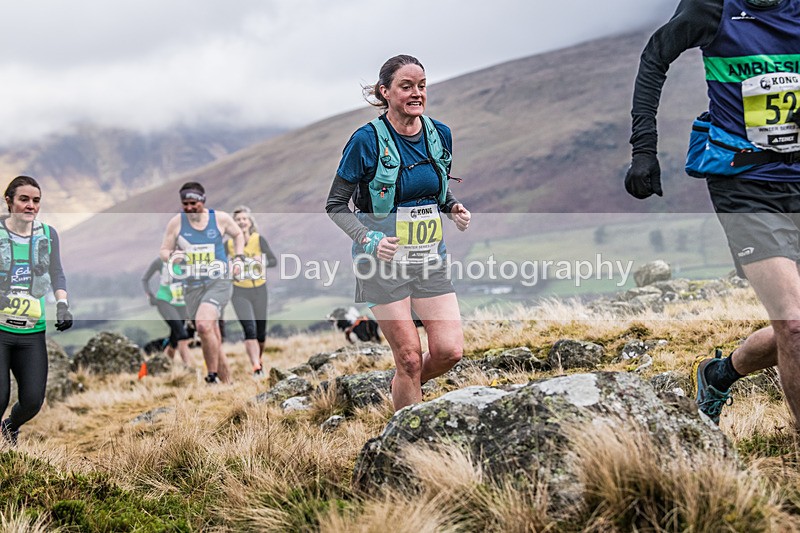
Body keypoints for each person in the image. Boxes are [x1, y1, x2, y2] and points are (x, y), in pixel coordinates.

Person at [625, 0, 800, 425]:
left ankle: (720, 373)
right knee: (793, 324)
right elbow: (654, 57)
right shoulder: (712, 6)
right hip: (744, 184)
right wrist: (644, 149)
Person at [326, 54, 471, 411]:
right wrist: (369, 238)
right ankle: (404, 437)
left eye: (421, 86)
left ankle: (404, 388)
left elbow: (433, 187)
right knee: (408, 358)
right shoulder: (366, 141)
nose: (416, 93)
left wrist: (452, 206)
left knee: (449, 351)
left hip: (428, 258)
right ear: (385, 92)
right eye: (406, 86)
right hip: (381, 263)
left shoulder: (440, 134)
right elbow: (335, 206)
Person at [0, 176, 72, 446]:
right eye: (24, 199)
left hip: (31, 331)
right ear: (9, 201)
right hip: (0, 329)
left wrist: (62, 304)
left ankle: (10, 427)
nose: (31, 205)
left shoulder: (48, 234)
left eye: (36, 200)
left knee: (32, 402)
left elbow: (57, 272)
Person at [159, 182, 244, 384]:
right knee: (211, 333)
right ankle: (228, 382)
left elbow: (238, 234)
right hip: (192, 285)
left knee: (204, 326)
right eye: (184, 204)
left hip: (219, 281)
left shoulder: (220, 219)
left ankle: (211, 377)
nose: (188, 208)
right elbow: (163, 250)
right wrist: (173, 255)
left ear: (202, 201)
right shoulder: (176, 223)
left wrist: (238, 258)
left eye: (192, 203)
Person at [225, 206, 277, 378]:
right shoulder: (228, 245)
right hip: (239, 291)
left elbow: (273, 261)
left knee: (260, 333)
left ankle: (258, 360)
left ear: (250, 222)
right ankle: (256, 367)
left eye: (244, 219)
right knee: (250, 329)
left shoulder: (258, 240)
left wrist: (261, 261)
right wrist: (230, 268)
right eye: (238, 220)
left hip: (259, 290)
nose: (241, 222)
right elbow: (220, 266)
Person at [141, 257, 192, 367]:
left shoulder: (188, 261)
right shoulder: (160, 262)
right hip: (164, 301)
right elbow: (145, 279)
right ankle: (189, 368)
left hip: (182, 304)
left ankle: (165, 365)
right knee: (182, 335)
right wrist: (150, 296)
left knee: (174, 340)